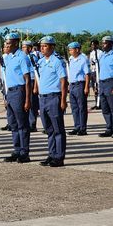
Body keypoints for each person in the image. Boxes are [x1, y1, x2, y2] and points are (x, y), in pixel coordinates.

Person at [36, 36, 68, 167]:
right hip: (43, 98)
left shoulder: (57, 61)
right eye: (41, 46)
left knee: (58, 129)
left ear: (52, 47)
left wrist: (63, 100)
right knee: (49, 129)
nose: (42, 48)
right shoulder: (41, 61)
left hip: (54, 97)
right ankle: (52, 154)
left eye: (45, 46)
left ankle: (59, 157)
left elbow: (63, 81)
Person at [3, 32, 32, 163]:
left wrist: (27, 99)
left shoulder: (22, 57)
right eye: (5, 43)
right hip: (10, 92)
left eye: (8, 43)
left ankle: (24, 152)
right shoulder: (8, 57)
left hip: (19, 91)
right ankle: (17, 150)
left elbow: (27, 79)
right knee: (13, 124)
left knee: (22, 124)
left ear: (15, 43)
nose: (6, 45)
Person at [67, 42, 90, 136]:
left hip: (80, 85)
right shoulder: (71, 59)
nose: (70, 51)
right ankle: (77, 127)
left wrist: (86, 87)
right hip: (72, 85)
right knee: (74, 108)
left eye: (71, 49)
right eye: (69, 49)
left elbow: (87, 74)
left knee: (82, 108)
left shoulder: (83, 59)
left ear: (77, 49)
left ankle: (83, 128)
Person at [97, 36, 113, 138]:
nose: (103, 45)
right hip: (102, 83)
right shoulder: (102, 55)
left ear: (111, 44)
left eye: (105, 43)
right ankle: (109, 128)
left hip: (111, 82)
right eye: (102, 43)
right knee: (105, 108)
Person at [22, 40, 40, 132]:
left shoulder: (33, 58)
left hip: (32, 81)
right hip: (24, 82)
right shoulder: (21, 57)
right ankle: (27, 123)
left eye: (24, 47)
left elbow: (36, 73)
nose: (23, 49)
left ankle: (32, 124)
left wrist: (36, 86)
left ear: (29, 48)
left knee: (32, 104)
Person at [89, 39, 103, 110]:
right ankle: (96, 102)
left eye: (94, 44)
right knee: (94, 88)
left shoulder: (100, 53)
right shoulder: (91, 53)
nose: (92, 46)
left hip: (98, 71)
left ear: (97, 45)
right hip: (93, 72)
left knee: (99, 87)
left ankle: (100, 103)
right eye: (91, 45)